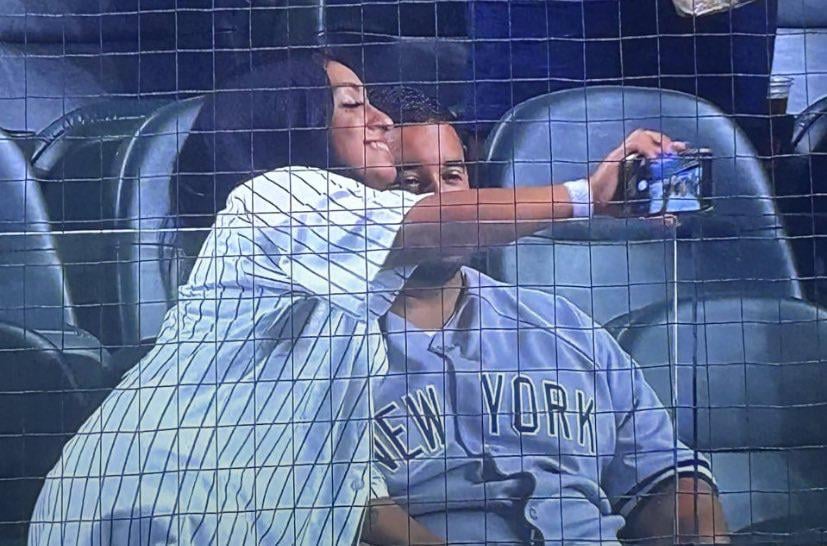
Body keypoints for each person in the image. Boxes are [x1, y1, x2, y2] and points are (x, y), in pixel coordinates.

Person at [29, 51, 684, 546]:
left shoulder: (358, 304)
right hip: (143, 511)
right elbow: (432, 221)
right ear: (295, 125)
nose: (377, 120)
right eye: (350, 105)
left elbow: (342, 473)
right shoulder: (267, 202)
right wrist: (586, 195)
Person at [361, 85, 729, 545]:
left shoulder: (561, 326)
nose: (440, 197)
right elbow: (343, 511)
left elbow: (664, 474)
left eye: (452, 176)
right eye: (411, 185)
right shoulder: (330, 351)